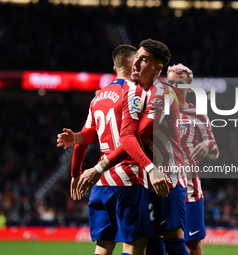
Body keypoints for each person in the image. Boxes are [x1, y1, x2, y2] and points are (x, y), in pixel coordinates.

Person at [77, 39, 190, 255]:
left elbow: (134, 137)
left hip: (168, 178)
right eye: (136, 56)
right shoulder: (134, 93)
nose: (136, 62)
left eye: (144, 59)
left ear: (158, 69)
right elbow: (127, 138)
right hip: (148, 177)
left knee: (174, 243)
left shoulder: (161, 95)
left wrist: (99, 168)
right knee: (152, 244)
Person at [57, 44, 155, 255]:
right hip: (128, 179)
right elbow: (131, 139)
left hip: (101, 185)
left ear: (115, 67)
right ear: (135, 64)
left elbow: (83, 138)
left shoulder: (98, 97)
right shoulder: (137, 93)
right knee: (135, 247)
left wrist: (75, 173)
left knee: (102, 248)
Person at [167, 63, 219, 255]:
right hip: (163, 191)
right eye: (170, 82)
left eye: (179, 83)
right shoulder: (156, 112)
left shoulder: (198, 115)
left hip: (190, 192)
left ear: (188, 88)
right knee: (158, 245)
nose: (174, 87)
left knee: (193, 246)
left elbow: (215, 152)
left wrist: (206, 145)